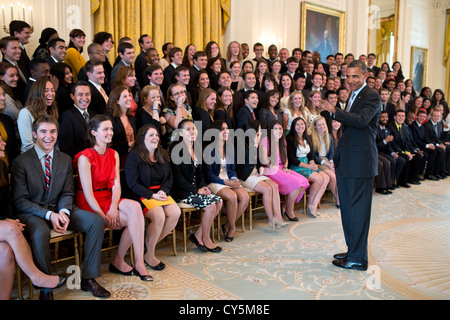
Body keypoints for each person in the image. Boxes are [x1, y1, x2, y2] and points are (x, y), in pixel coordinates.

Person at [12, 114, 109, 300]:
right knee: (41, 233)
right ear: (34, 134)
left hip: (61, 210)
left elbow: (67, 192)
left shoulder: (65, 159)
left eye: (52, 131)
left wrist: (63, 212)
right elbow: (21, 201)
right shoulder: (21, 162)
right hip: (34, 214)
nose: (48, 136)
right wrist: (50, 215)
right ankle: (45, 288)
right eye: (43, 132)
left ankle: (88, 278)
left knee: (95, 221)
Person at [74, 114, 153, 282]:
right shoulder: (84, 157)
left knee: (135, 208)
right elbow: (87, 194)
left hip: (108, 199)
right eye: (106, 129)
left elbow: (116, 185)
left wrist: (112, 208)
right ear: (94, 132)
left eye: (111, 129)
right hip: (90, 203)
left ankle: (137, 262)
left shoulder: (113, 154)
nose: (110, 132)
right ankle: (119, 261)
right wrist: (105, 217)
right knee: (134, 219)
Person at [320, 60, 381, 271]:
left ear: (365, 76)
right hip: (347, 161)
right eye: (348, 76)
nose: (351, 80)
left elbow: (362, 120)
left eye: (355, 76)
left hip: (360, 163)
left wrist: (335, 111)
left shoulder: (371, 96)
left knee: (358, 212)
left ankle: (358, 259)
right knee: (348, 209)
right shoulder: (354, 96)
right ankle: (353, 251)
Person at [124, 124, 181, 270]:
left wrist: (163, 190)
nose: (155, 137)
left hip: (160, 193)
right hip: (142, 194)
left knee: (175, 212)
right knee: (159, 216)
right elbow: (132, 183)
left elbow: (169, 177)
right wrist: (152, 195)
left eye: (156, 135)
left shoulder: (161, 153)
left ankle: (148, 246)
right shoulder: (134, 155)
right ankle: (150, 255)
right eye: (151, 135)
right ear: (142, 138)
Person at [169, 119, 223, 252]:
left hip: (196, 189)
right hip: (182, 191)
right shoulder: (176, 150)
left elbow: (200, 174)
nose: (192, 131)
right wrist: (196, 190)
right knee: (210, 206)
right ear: (181, 133)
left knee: (219, 202)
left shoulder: (197, 148)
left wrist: (204, 186)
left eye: (193, 128)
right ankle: (206, 239)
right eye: (188, 129)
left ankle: (198, 235)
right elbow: (178, 178)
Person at [203, 121, 249, 242]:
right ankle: (232, 228)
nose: (226, 131)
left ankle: (227, 225)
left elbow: (232, 169)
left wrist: (233, 179)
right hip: (215, 181)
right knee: (233, 197)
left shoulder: (229, 147)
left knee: (245, 197)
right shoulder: (209, 149)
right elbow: (209, 175)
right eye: (222, 129)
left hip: (228, 180)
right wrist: (226, 183)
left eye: (227, 128)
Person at [260, 120, 309, 222]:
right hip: (270, 169)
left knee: (304, 181)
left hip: (281, 168)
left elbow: (285, 157)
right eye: (276, 129)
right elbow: (264, 159)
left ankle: (285, 206)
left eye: (280, 128)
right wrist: (275, 167)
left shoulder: (282, 141)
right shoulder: (266, 140)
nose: (279, 131)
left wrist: (285, 168)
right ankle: (289, 210)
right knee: (296, 183)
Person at [286, 117, 330, 218]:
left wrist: (312, 163)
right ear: (293, 126)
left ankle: (313, 205)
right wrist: (308, 166)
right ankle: (310, 206)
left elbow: (311, 154)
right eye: (297, 124)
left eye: (302, 124)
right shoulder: (290, 138)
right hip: (297, 166)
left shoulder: (307, 137)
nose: (300, 126)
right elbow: (292, 159)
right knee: (319, 179)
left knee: (326, 178)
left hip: (308, 163)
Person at [17, 78, 58, 154]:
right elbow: (28, 146)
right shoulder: (25, 113)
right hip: (31, 159)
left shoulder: (48, 113)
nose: (51, 93)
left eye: (52, 90)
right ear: (37, 93)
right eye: (46, 90)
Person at [58, 81, 95, 158]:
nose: (84, 98)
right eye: (80, 95)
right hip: (78, 163)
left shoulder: (95, 115)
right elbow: (65, 147)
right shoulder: (67, 116)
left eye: (87, 94)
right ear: (72, 96)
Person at [310, 116, 340, 207]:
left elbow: (331, 152)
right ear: (315, 126)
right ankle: (338, 199)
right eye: (319, 125)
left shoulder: (329, 136)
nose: (322, 126)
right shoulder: (311, 137)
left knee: (339, 175)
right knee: (333, 176)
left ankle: (340, 198)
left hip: (327, 160)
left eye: (323, 124)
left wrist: (331, 161)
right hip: (318, 162)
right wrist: (326, 163)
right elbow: (313, 156)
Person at [106, 86, 137, 164]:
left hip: (133, 157)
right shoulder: (110, 119)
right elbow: (109, 143)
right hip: (117, 158)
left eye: (129, 96)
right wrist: (128, 144)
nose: (129, 98)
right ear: (117, 101)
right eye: (125, 96)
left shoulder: (131, 118)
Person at [0, 87, 19, 168]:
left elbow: (13, 149)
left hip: (7, 171)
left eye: (3, 94)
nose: (3, 98)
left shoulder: (7, 120)